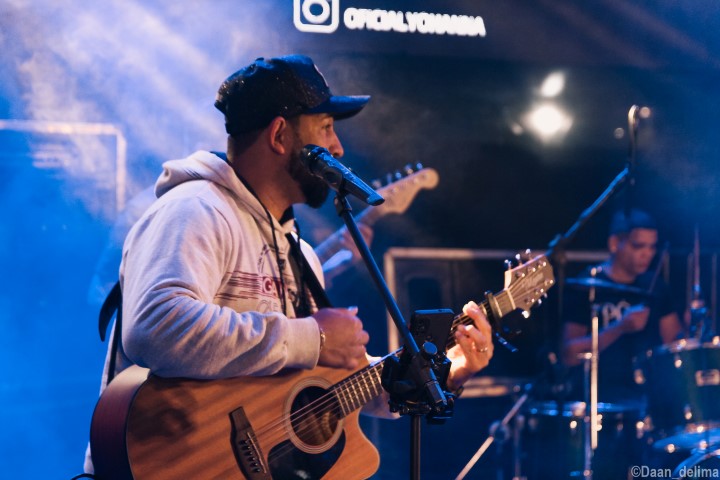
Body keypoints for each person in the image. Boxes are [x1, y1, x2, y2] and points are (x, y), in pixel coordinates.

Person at [84, 54, 494, 476]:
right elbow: (155, 329)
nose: (338, 147)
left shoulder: (300, 253)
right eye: (326, 127)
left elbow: (322, 391)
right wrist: (314, 337)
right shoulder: (195, 209)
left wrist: (447, 371)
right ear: (280, 135)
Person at [558, 208, 684, 479]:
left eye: (652, 247)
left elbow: (675, 344)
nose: (647, 254)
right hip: (599, 406)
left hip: (647, 406)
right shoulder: (587, 286)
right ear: (615, 243)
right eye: (639, 246)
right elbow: (569, 353)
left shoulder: (655, 287)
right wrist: (619, 328)